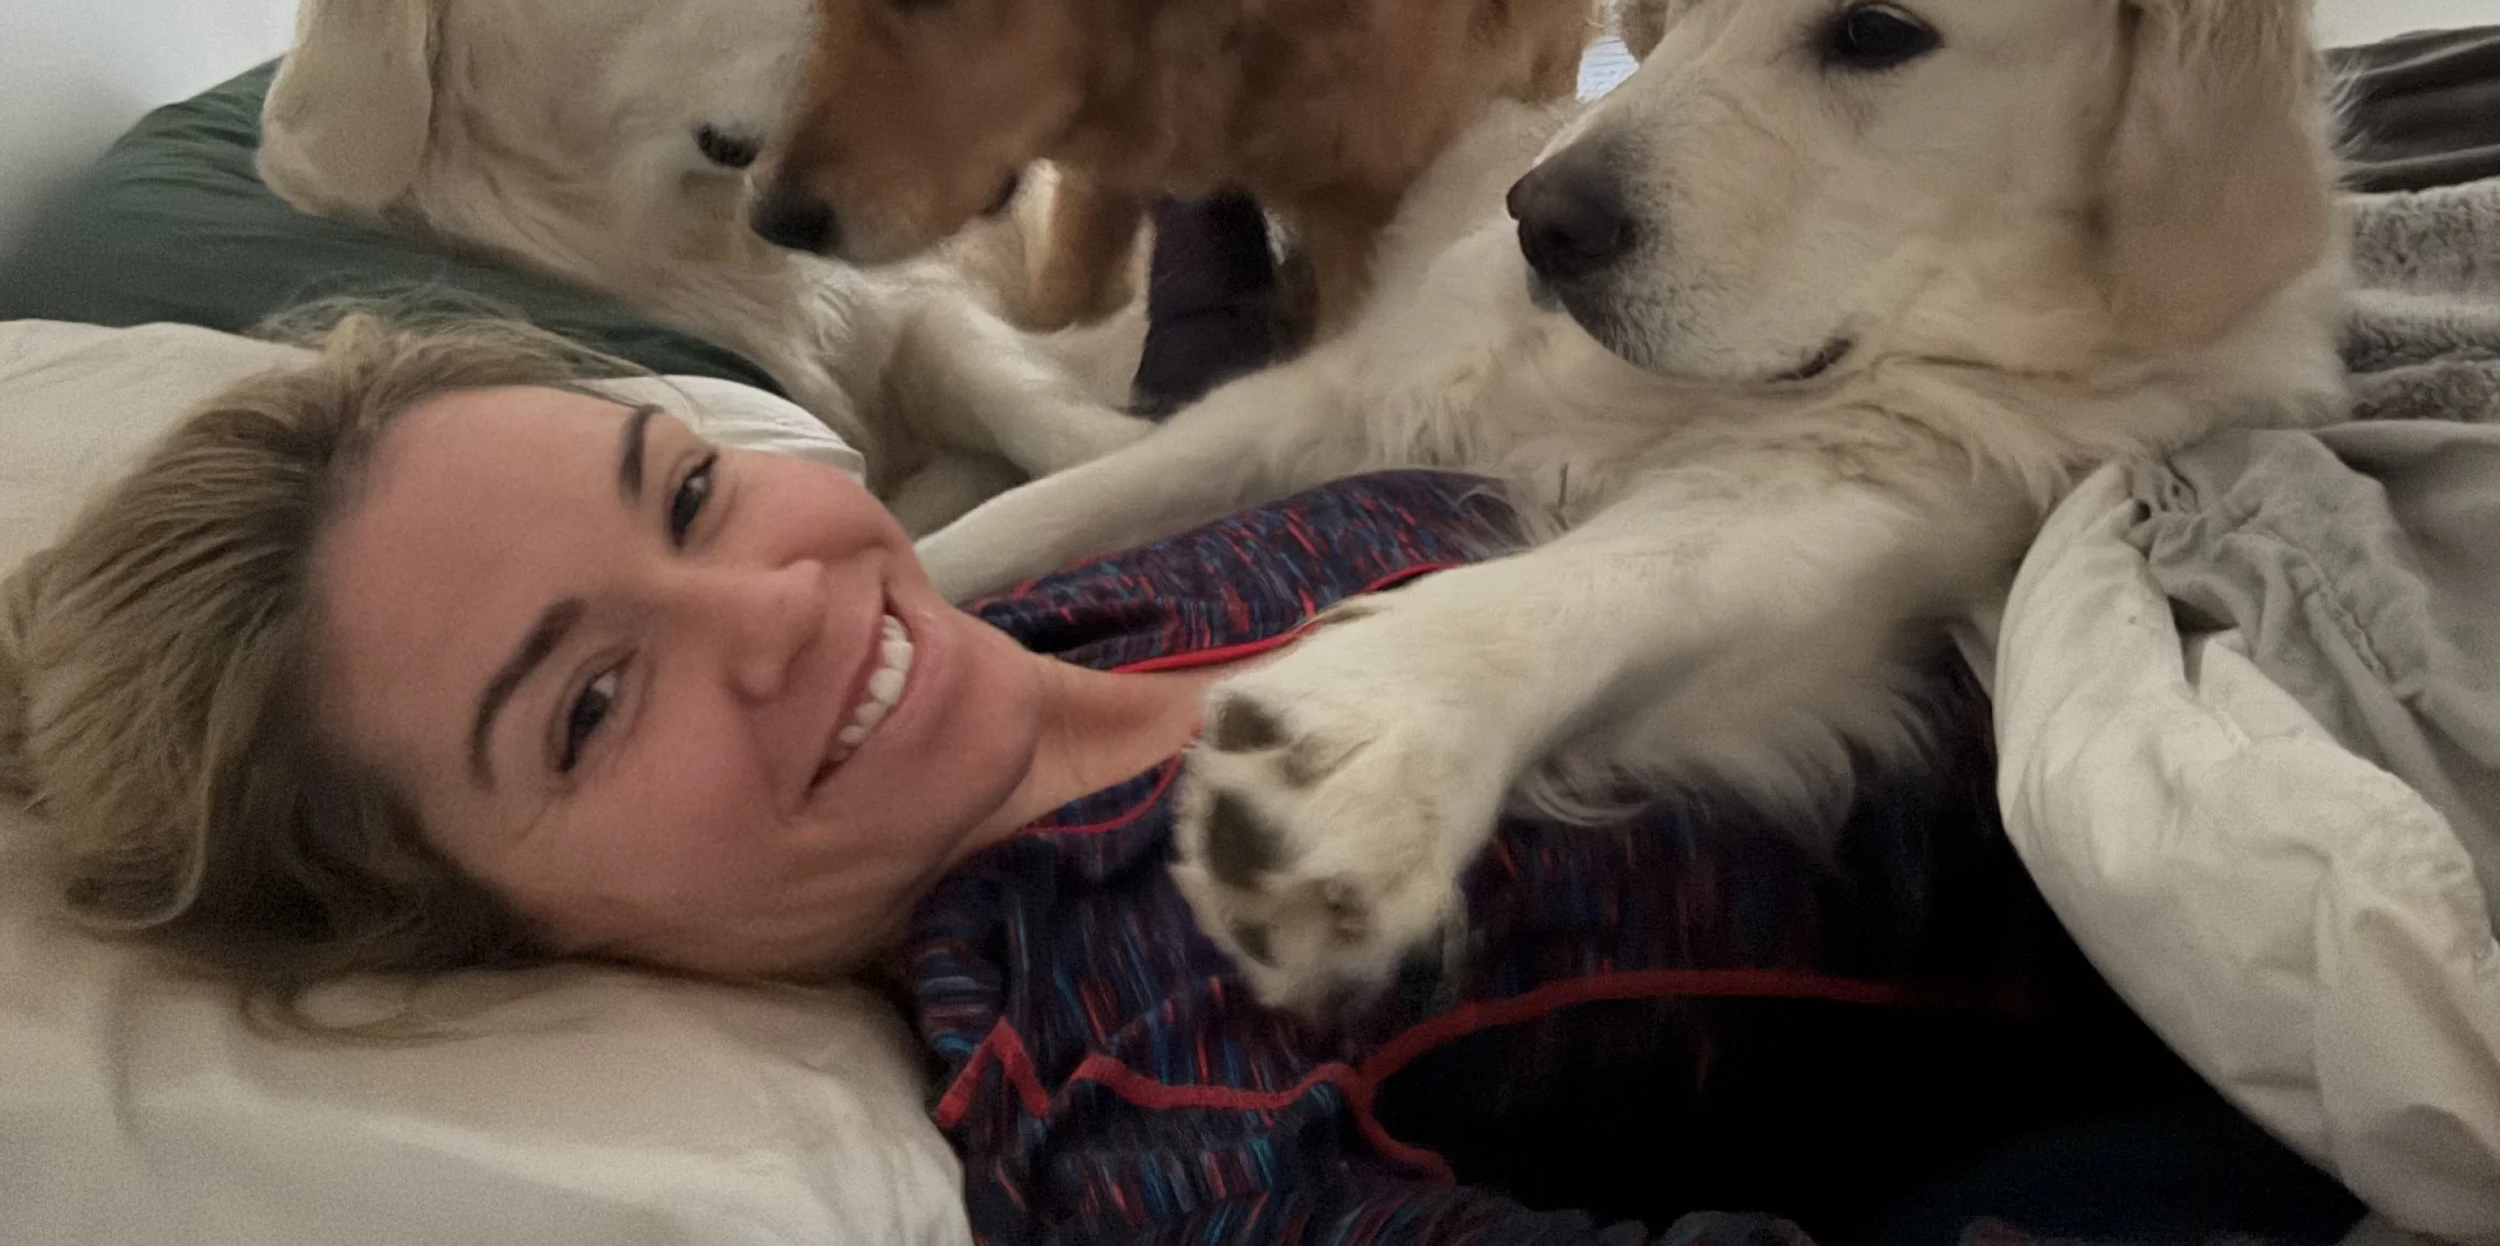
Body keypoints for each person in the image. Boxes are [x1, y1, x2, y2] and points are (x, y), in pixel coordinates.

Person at [1, 315, 2358, 1245]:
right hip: (2206, 914)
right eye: (587, 706)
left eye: (691, 492)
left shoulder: (1101, 594)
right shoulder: (1124, 1086)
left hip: (2131, 556)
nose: (784, 608)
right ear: (491, 920)